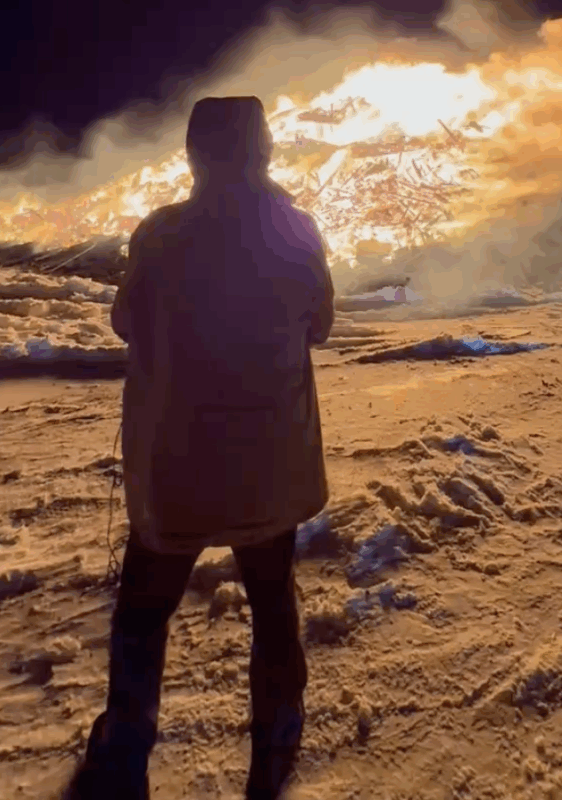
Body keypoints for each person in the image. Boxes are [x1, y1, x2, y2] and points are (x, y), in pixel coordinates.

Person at [64, 96, 334, 800]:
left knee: (143, 612)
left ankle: (124, 749)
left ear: (194, 154)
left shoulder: (160, 235)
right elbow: (320, 326)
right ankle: (277, 731)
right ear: (264, 149)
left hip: (177, 468)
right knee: (273, 601)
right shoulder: (297, 231)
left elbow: (126, 321)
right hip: (268, 466)